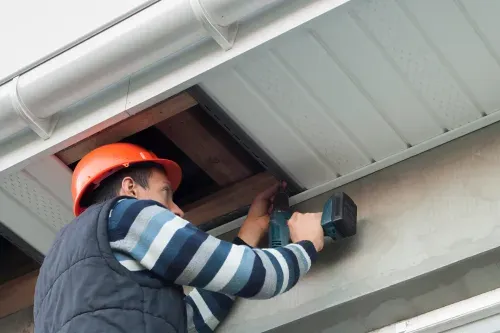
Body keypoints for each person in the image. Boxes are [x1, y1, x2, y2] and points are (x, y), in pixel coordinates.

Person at [34, 143, 324, 333]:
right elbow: (260, 278)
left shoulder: (51, 282)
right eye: (166, 193)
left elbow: (185, 323)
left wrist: (249, 232)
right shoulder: (125, 215)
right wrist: (306, 245)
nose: (178, 210)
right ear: (130, 189)